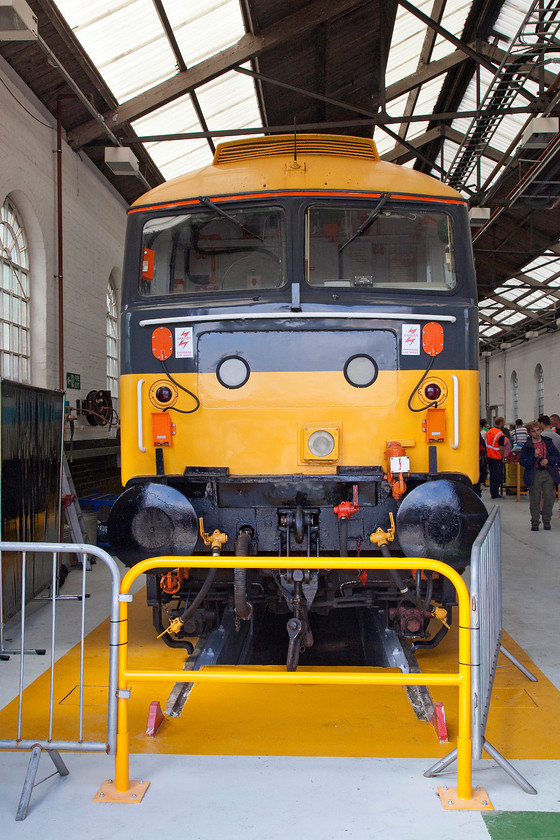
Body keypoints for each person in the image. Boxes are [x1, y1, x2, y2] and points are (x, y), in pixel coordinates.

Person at [520, 421, 560, 531]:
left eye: (538, 430)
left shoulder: (548, 443)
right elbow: (523, 462)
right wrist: (534, 456)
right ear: (529, 433)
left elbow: (557, 457)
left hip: (548, 472)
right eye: (533, 431)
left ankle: (546, 520)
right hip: (534, 473)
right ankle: (535, 522)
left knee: (549, 497)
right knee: (535, 499)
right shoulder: (527, 446)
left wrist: (548, 460)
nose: (536, 433)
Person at [485, 417, 506, 499]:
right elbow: (501, 448)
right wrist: (503, 456)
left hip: (489, 456)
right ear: (500, 423)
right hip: (497, 457)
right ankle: (495, 493)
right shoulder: (500, 434)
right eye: (503, 423)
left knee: (492, 475)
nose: (504, 424)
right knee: (497, 476)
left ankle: (492, 491)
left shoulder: (488, 432)